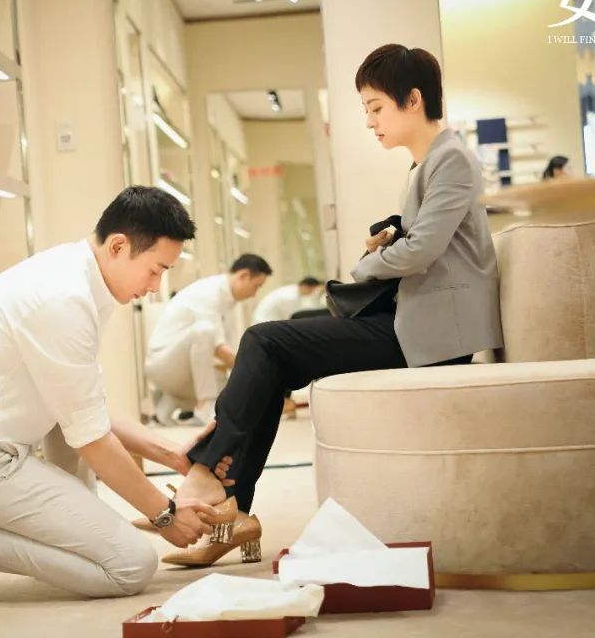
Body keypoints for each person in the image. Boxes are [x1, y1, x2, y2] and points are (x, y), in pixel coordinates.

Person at [159, 44, 504, 567]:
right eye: (367, 109)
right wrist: (389, 242)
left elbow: (422, 251)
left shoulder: (450, 159)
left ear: (413, 100)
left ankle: (209, 474)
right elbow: (423, 244)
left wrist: (367, 265)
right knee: (274, 353)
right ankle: (234, 508)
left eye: (375, 107)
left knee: (264, 340)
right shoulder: (428, 163)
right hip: (413, 321)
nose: (369, 121)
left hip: (431, 338)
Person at [0, 186, 236, 608]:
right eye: (155, 270)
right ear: (118, 246)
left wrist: (173, 455)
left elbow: (87, 406)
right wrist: (165, 514)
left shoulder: (80, 279)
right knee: (131, 564)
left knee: (96, 528)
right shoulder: (62, 297)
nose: (155, 286)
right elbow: (92, 439)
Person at [144, 254, 272, 425]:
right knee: (204, 331)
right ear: (244, 276)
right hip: (162, 365)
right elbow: (219, 349)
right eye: (257, 286)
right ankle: (205, 407)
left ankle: (167, 406)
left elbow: (228, 355)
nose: (255, 294)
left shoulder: (229, 302)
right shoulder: (209, 292)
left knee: (229, 387)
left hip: (176, 367)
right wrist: (256, 372)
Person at [250, 276, 323, 325]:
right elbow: (292, 317)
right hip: (263, 322)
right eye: (312, 290)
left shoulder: (293, 290)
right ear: (306, 287)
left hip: (266, 321)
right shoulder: (291, 296)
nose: (311, 293)